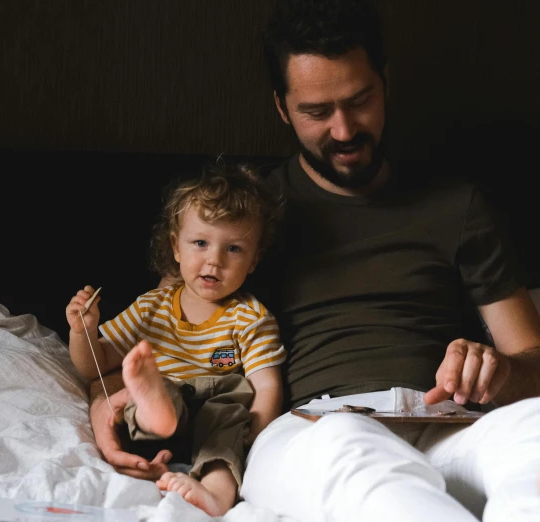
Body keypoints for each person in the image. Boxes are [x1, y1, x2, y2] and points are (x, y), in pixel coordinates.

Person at [88, 0, 540, 520]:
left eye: (360, 100)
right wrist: (108, 401)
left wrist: (500, 371)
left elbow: (532, 360)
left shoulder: (458, 205)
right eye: (316, 112)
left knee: (532, 435)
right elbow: (167, 325)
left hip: (446, 423)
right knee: (356, 450)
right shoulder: (242, 218)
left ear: (385, 82)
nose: (345, 130)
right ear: (282, 107)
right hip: (314, 428)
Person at [65, 162, 286, 516]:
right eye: (200, 243)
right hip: (163, 404)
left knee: (229, 415)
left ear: (254, 260)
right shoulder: (153, 307)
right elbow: (94, 365)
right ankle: (157, 410)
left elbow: (266, 385)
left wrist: (255, 435)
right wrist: (84, 331)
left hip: (214, 412)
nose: (214, 261)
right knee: (156, 389)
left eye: (233, 250)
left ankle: (214, 493)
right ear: (176, 247)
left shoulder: (251, 317)